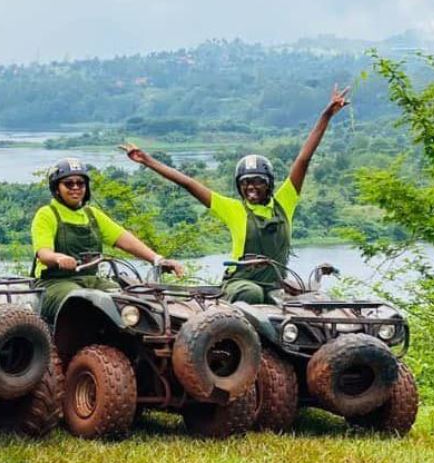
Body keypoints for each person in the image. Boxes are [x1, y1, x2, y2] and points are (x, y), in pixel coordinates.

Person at [124, 84, 350, 304]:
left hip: (275, 285)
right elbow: (189, 183)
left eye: (258, 182)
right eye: (246, 183)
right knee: (252, 294)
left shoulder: (284, 203)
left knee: (298, 301)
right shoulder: (233, 209)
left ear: (269, 184)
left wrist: (326, 115)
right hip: (240, 284)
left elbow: (303, 159)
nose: (251, 187)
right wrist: (147, 160)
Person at [31, 157, 185, 323]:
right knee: (82, 302)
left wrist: (157, 259)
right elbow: (43, 253)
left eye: (80, 183)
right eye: (69, 183)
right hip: (55, 283)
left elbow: (125, 239)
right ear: (57, 188)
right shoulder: (47, 214)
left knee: (128, 300)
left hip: (91, 281)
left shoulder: (92, 215)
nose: (75, 188)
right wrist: (58, 258)